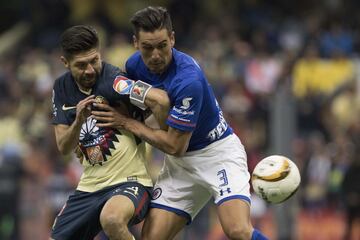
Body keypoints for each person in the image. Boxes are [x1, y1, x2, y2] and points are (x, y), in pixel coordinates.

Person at [91, 6, 268, 240]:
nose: (155, 55)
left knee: (238, 231)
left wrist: (126, 123)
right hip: (180, 166)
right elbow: (127, 103)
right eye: (148, 48)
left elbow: (175, 145)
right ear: (136, 43)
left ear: (172, 39)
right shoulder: (134, 65)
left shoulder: (188, 81)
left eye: (162, 46)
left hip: (217, 155)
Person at [50, 25, 169, 240]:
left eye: (94, 60)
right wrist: (78, 121)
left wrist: (132, 123)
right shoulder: (61, 88)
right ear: (65, 63)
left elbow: (160, 101)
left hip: (130, 182)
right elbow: (63, 147)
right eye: (81, 65)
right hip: (88, 187)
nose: (90, 70)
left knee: (112, 220)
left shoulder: (116, 81)